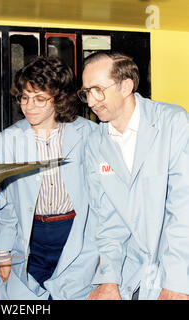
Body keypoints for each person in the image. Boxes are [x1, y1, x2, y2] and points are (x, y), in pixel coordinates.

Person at [0, 56, 99, 299]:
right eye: (25, 97)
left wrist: (104, 254)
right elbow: (7, 203)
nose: (29, 106)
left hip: (73, 232)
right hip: (31, 236)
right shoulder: (9, 139)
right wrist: (3, 251)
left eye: (39, 99)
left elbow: (101, 199)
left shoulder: (88, 133)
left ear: (59, 99)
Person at [80, 51, 189, 300]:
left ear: (126, 85)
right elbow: (107, 218)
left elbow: (183, 210)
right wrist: (108, 278)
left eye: (98, 90)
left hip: (179, 265)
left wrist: (177, 282)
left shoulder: (173, 123)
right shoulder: (96, 142)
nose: (91, 101)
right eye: (86, 92)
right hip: (134, 271)